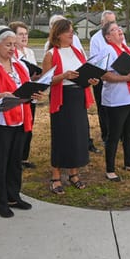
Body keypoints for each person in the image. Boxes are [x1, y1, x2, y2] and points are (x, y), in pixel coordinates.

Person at [0, 26, 42, 217]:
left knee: (15, 161)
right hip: (0, 122)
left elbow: (26, 88)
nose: (12, 48)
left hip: (21, 118)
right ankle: (0, 202)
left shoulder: (20, 65)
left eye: (14, 44)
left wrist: (34, 93)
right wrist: (0, 96)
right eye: (8, 45)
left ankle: (14, 195)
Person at [41, 18, 98, 193]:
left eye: (72, 31)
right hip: (62, 99)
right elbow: (45, 80)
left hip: (78, 96)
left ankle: (74, 174)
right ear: (58, 34)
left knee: (78, 137)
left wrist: (90, 80)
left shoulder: (78, 51)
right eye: (69, 32)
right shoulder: (51, 54)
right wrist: (63, 76)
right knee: (61, 137)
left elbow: (84, 71)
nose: (72, 34)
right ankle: (56, 176)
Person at [99, 20, 130, 181]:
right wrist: (126, 77)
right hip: (116, 100)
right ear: (108, 37)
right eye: (114, 29)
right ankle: (110, 169)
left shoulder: (126, 49)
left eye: (119, 28)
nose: (119, 30)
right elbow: (104, 74)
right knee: (114, 135)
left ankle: (129, 162)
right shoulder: (107, 50)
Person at [10, 21, 39, 170]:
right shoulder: (13, 55)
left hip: (31, 93)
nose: (24, 37)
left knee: (29, 127)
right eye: (20, 34)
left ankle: (24, 157)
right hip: (19, 95)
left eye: (26, 34)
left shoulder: (30, 52)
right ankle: (16, 159)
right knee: (20, 130)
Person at [89, 10, 118, 150]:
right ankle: (106, 135)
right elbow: (95, 60)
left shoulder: (118, 36)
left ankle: (120, 134)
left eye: (113, 22)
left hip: (117, 76)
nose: (112, 25)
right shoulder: (96, 39)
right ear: (102, 23)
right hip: (100, 77)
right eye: (109, 22)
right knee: (103, 108)